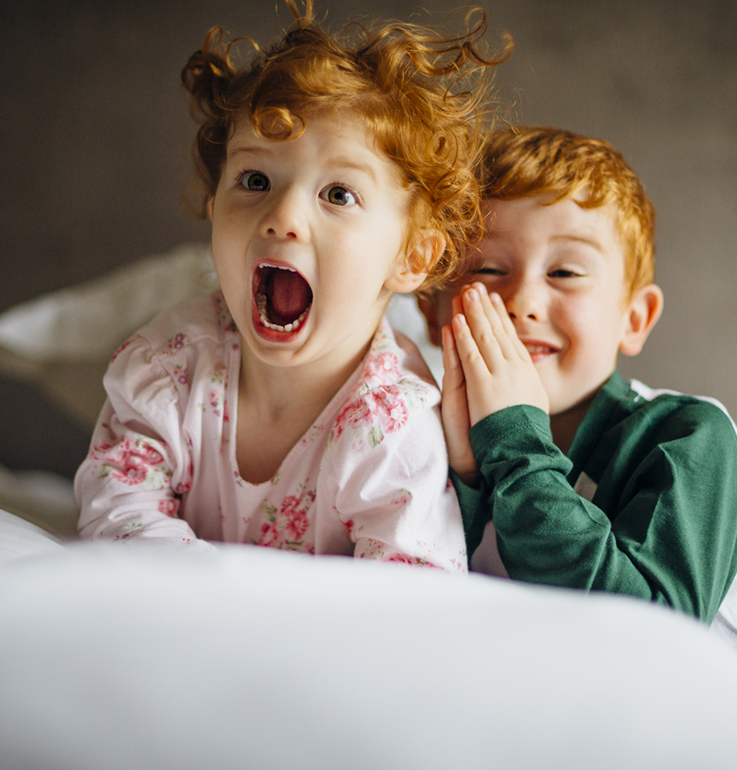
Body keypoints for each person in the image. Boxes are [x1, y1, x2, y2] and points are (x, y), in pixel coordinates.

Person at [420, 125, 737, 768]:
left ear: (635, 318)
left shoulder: (688, 434)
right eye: (487, 270)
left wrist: (513, 443)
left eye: (564, 271)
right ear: (437, 310)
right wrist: (467, 471)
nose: (522, 301)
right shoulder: (436, 437)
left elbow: (650, 639)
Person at [74, 0, 510, 571]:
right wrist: (208, 592)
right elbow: (116, 510)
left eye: (338, 194)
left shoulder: (391, 422)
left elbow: (408, 590)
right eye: (255, 180)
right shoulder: (172, 365)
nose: (282, 215)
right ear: (213, 210)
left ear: (410, 256)